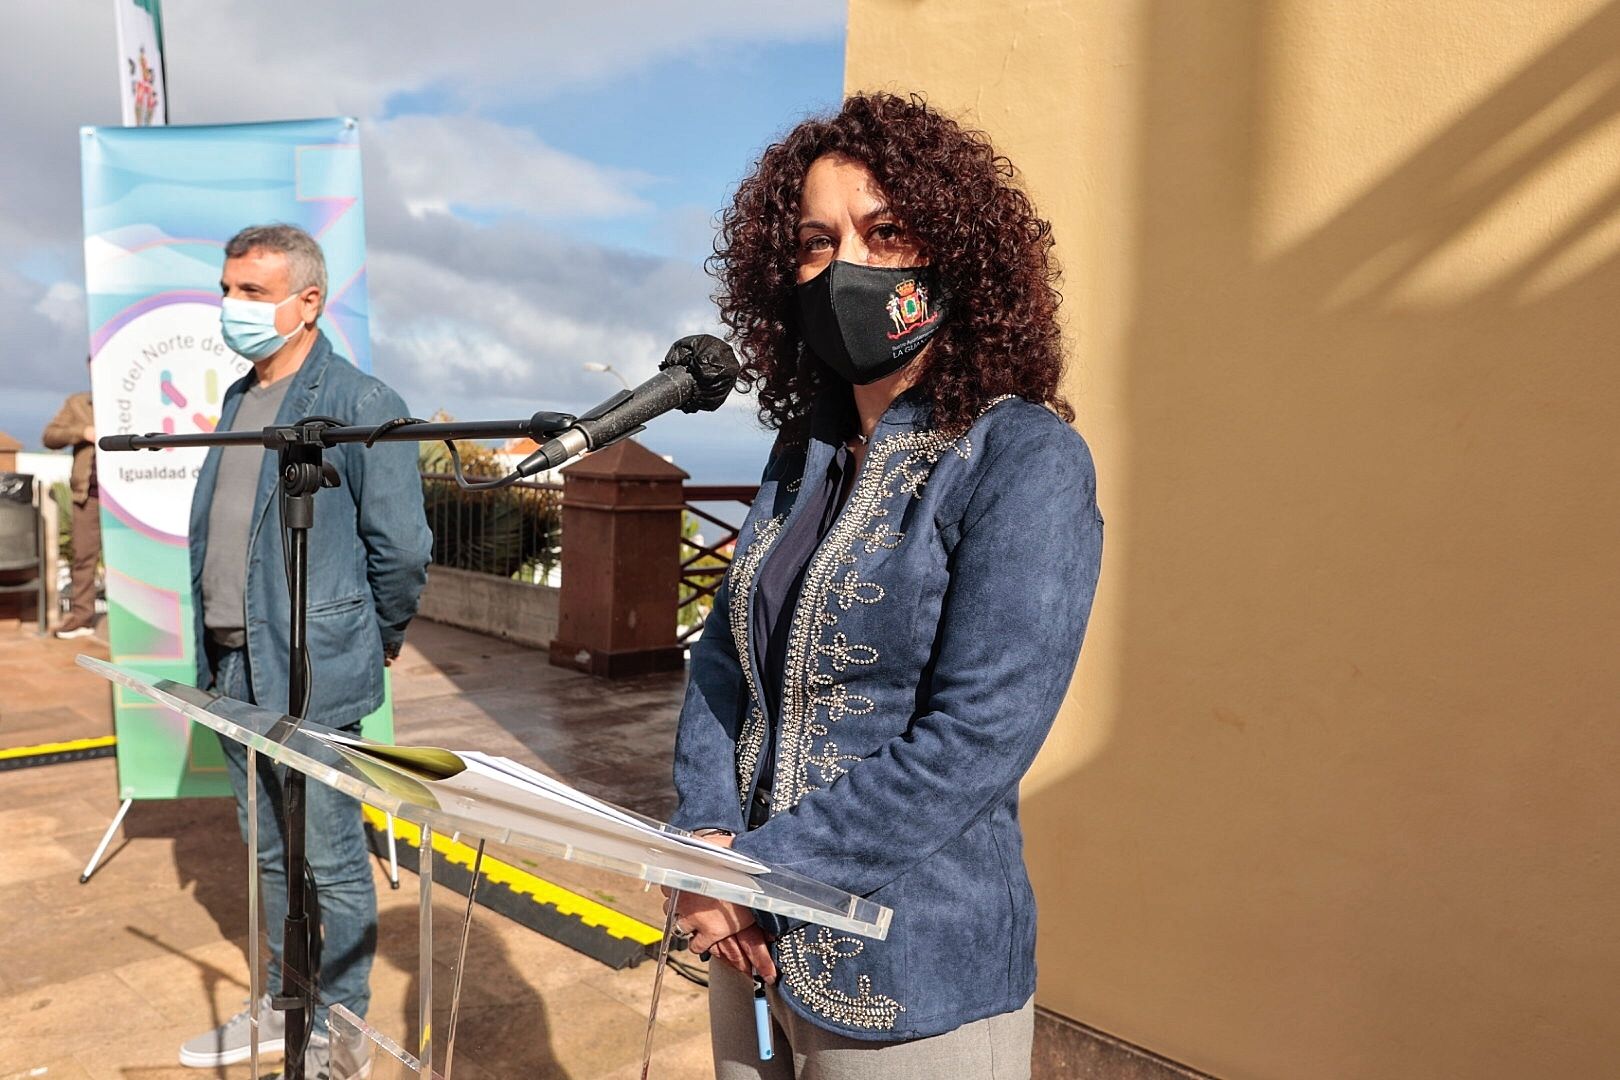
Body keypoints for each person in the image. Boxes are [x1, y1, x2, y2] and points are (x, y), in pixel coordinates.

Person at [666, 93, 1105, 1079]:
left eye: (886, 231)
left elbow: (977, 738)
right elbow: (724, 665)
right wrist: (704, 845)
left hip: (910, 973)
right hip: (745, 941)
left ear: (954, 255)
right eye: (817, 244)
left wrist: (751, 873)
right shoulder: (804, 454)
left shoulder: (1024, 458)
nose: (847, 267)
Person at [179, 223, 432, 1079]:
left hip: (313, 673)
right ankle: (284, 1007)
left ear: (308, 300)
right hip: (229, 666)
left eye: (252, 292)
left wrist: (370, 639)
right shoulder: (236, 399)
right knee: (268, 856)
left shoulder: (362, 402)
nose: (232, 306)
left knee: (329, 855)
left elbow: (399, 548)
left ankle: (342, 1031)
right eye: (228, 288)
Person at [41, 367, 99, 639]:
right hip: (88, 493)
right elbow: (50, 436)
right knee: (84, 555)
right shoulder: (78, 403)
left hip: (131, 493)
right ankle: (82, 617)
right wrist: (83, 431)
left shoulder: (138, 397)